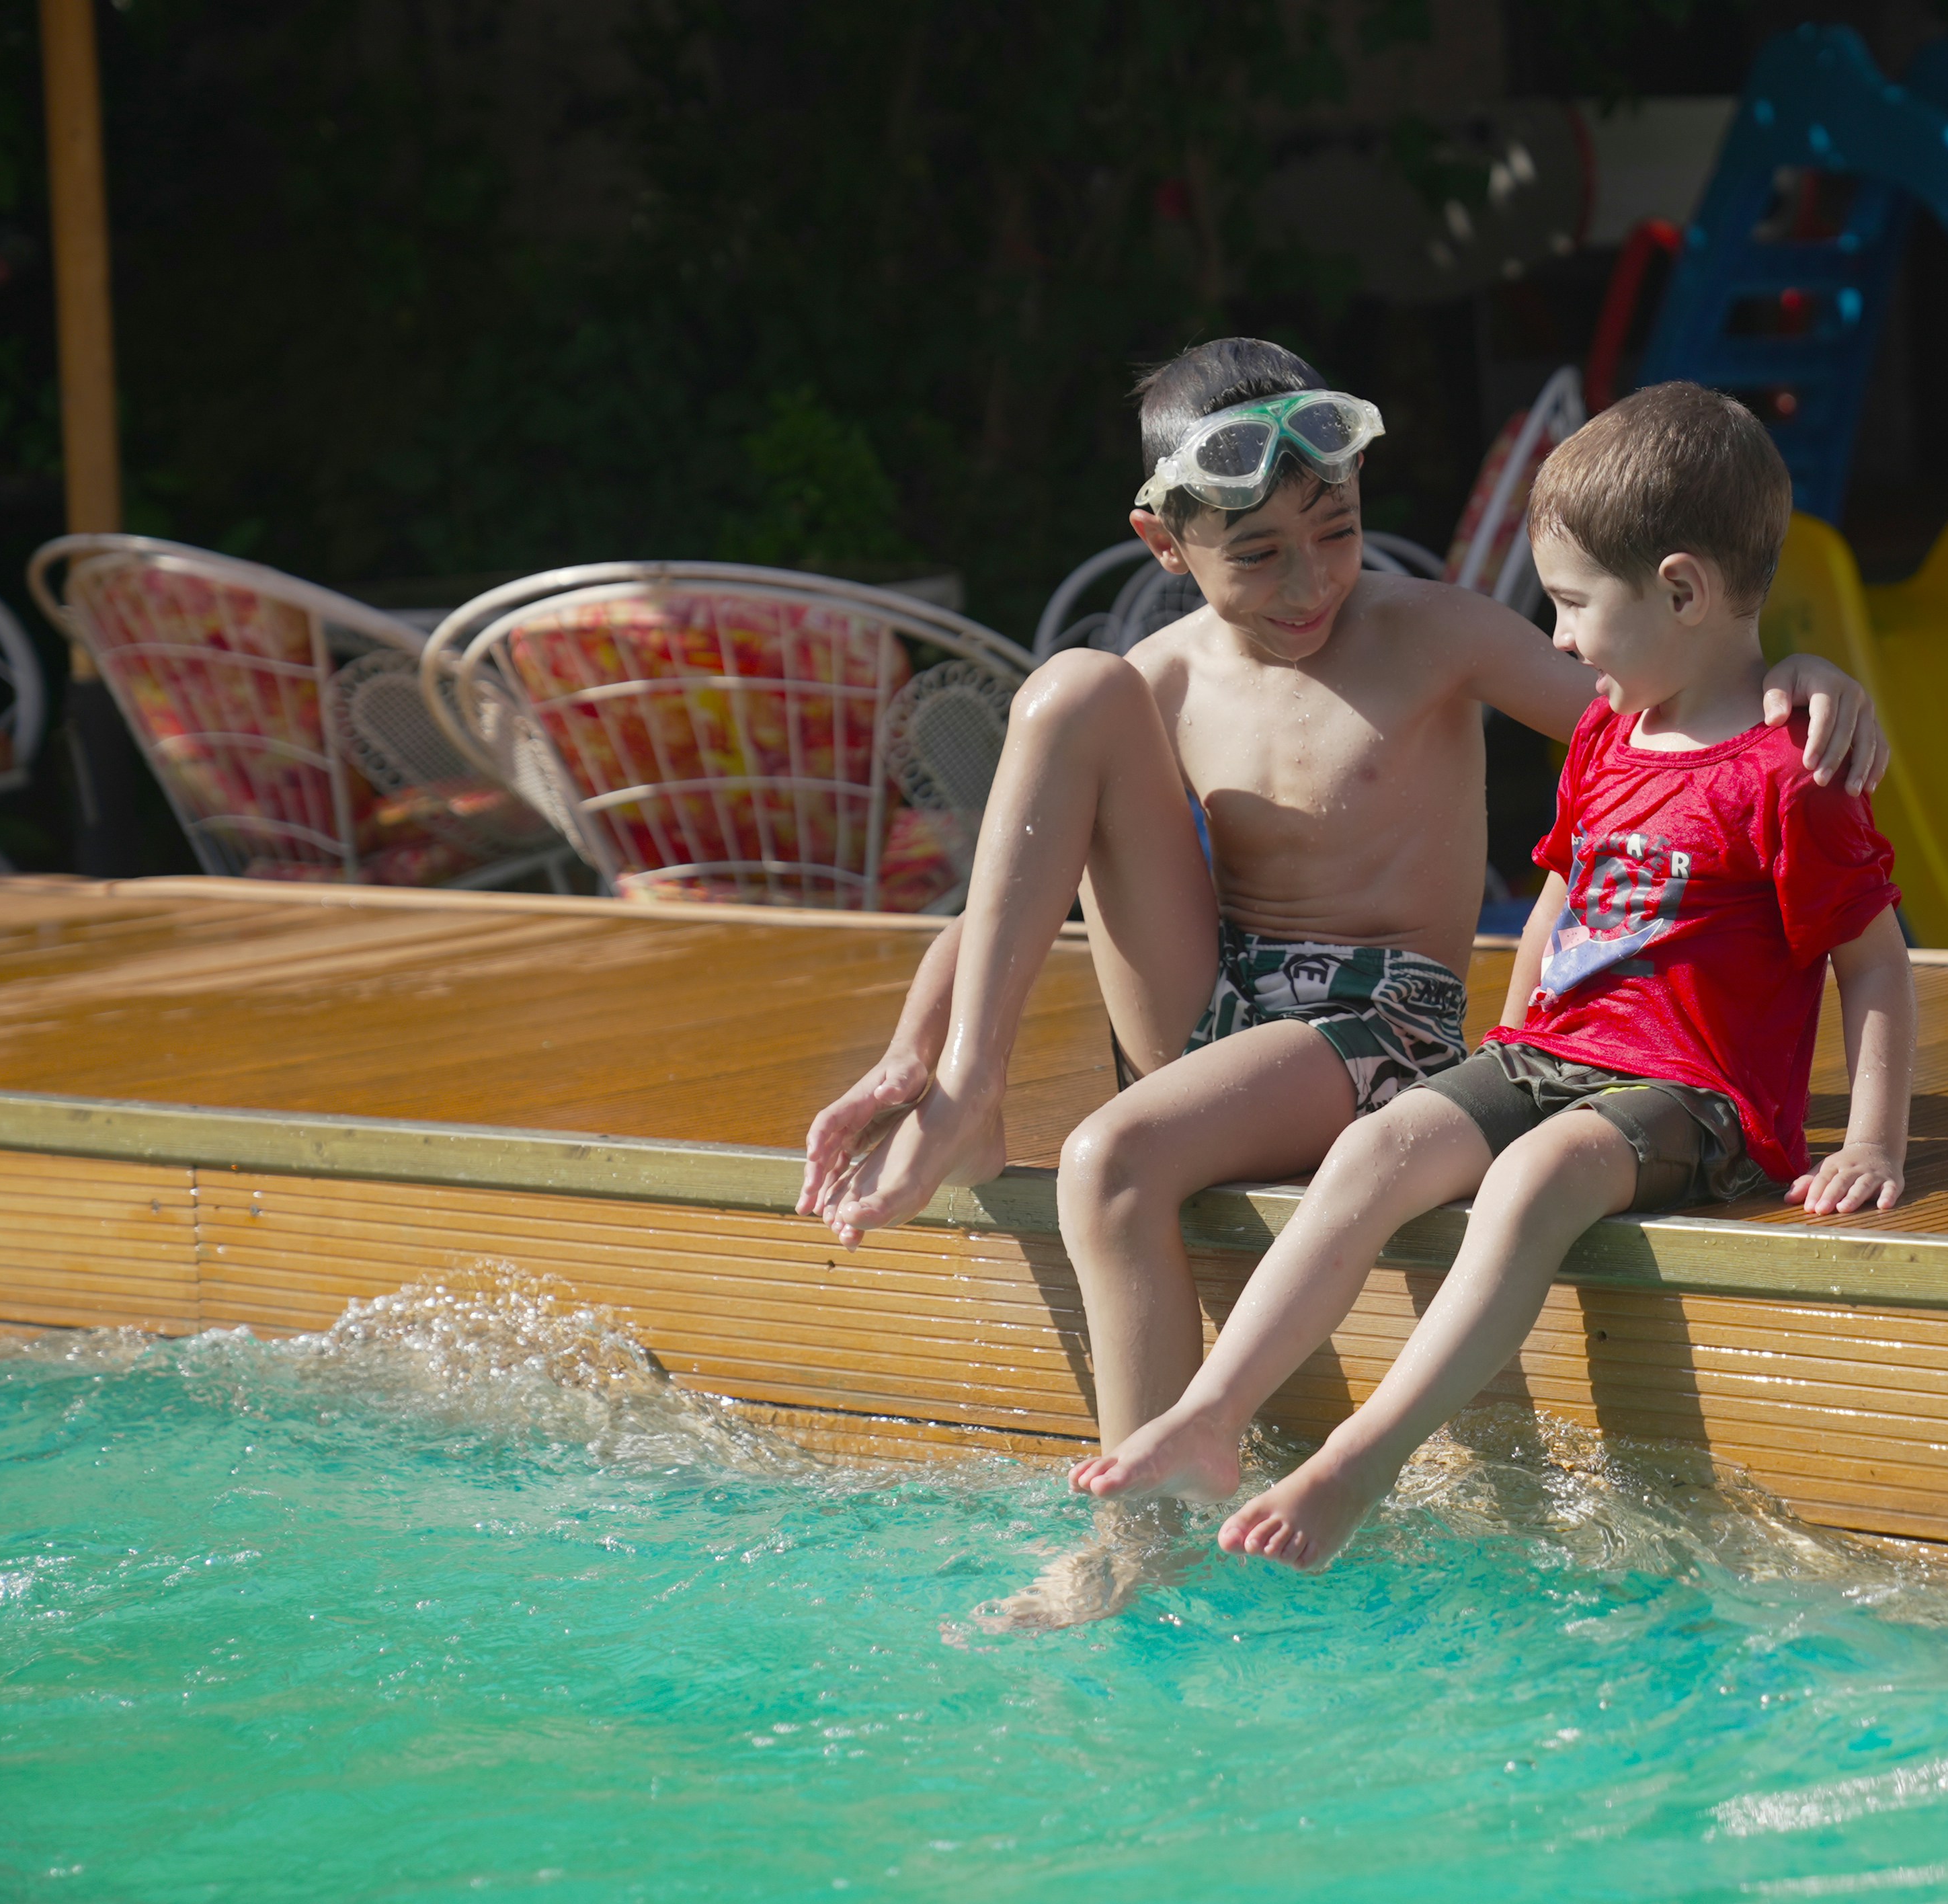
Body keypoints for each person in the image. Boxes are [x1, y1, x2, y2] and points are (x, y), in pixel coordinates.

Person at [794, 338, 1887, 1480]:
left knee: (1107, 1158)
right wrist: (917, 1056)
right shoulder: (1156, 678)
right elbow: (1019, 898)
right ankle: (974, 1096)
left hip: (1382, 1032)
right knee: (1069, 687)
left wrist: (1791, 679)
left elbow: (1664, 712)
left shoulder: (1435, 633)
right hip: (1213, 1015)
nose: (1312, 583)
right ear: (1166, 544)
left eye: (1336, 534)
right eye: (1259, 554)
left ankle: (1141, 1514)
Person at [1069, 381, 1916, 1573]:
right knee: (1380, 1147)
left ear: (1679, 592)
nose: (1559, 638)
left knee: (1533, 1181)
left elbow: (1875, 966)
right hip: (1550, 1055)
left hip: (1697, 1094)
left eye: (1572, 605)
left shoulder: (1790, 777)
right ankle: (1210, 1413)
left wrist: (1871, 1142)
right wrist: (1500, 1054)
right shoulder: (1611, 735)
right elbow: (1566, 893)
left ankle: (1358, 1459)